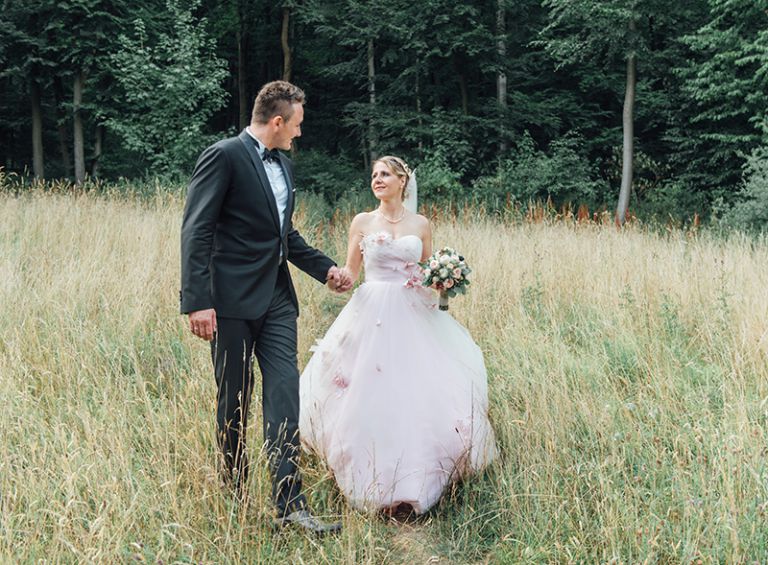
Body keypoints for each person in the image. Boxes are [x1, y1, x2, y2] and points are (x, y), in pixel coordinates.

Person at [180, 80, 349, 534]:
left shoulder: (284, 166)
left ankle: (290, 506)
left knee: (284, 394)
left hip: (277, 299)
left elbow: (283, 235)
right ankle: (234, 498)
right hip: (230, 302)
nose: (299, 132)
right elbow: (196, 229)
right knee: (234, 400)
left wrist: (326, 269)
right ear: (277, 121)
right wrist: (198, 301)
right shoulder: (223, 156)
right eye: (296, 125)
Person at [299, 156, 497, 515]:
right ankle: (370, 481)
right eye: (374, 175)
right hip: (371, 310)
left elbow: (425, 271)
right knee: (368, 391)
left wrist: (443, 279)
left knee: (414, 391)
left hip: (412, 310)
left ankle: (416, 482)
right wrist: (336, 280)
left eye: (385, 174)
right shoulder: (362, 221)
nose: (377, 179)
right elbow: (351, 271)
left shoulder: (420, 224)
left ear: (402, 181)